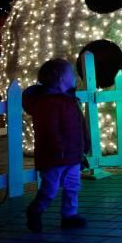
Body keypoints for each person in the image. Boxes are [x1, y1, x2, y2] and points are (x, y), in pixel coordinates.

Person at [24, 58, 88, 232]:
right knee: (50, 189)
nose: (74, 77)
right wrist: (57, 149)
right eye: (71, 74)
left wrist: (84, 145)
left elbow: (79, 124)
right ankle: (36, 210)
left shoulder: (70, 100)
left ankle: (69, 215)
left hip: (72, 155)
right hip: (55, 156)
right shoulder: (48, 103)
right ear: (61, 79)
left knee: (73, 186)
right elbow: (49, 129)